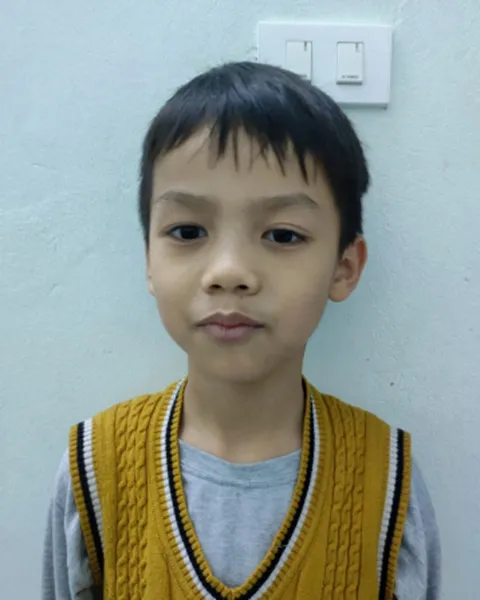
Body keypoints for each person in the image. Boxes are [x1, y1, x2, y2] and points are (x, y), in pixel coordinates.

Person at [42, 61, 441, 600]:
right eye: (188, 231)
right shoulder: (95, 469)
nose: (229, 271)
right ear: (149, 262)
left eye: (282, 235)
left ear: (344, 267)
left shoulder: (386, 480)